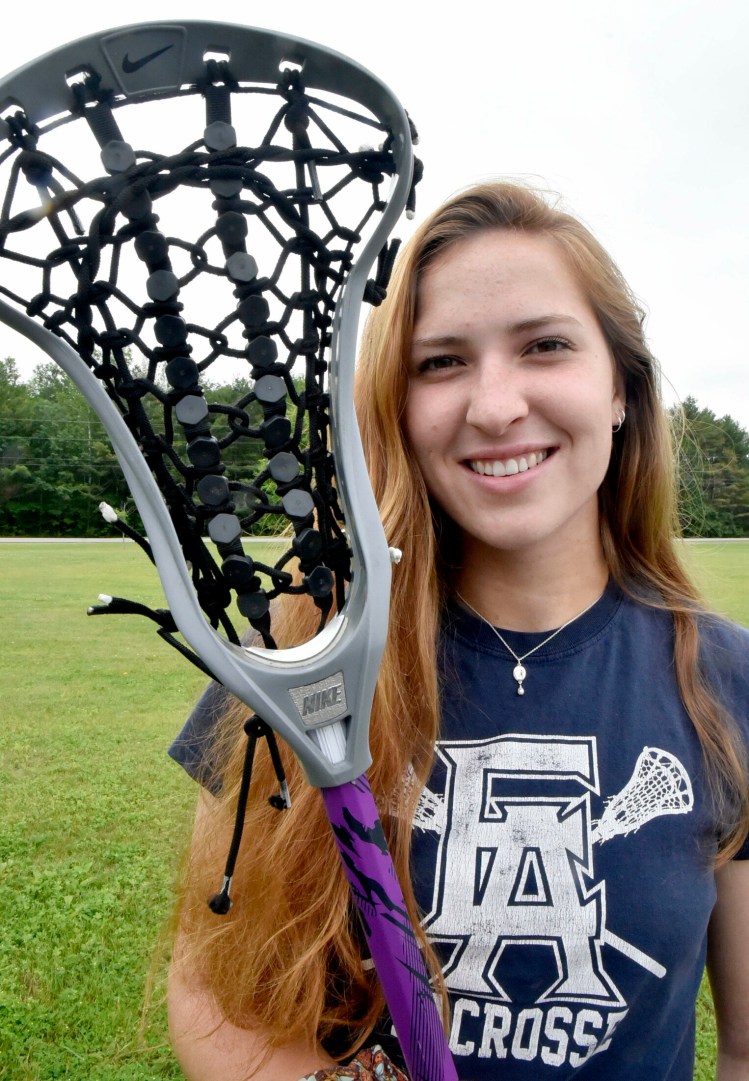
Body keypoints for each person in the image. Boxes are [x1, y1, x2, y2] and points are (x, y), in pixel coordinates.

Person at [167, 181, 749, 1081]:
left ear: (621, 389)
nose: (494, 406)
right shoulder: (299, 657)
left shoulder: (730, 683)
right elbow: (215, 992)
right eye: (440, 362)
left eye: (544, 345)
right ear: (399, 405)